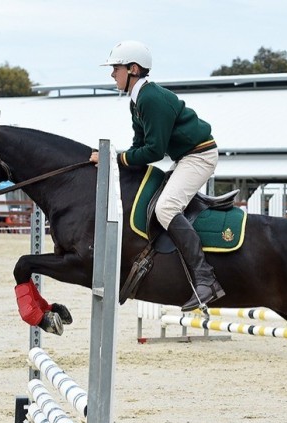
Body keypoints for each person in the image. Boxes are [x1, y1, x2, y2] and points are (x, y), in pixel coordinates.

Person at [90, 40, 224, 311]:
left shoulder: (151, 98)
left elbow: (153, 151)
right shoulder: (137, 100)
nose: (112, 74)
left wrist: (114, 157)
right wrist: (118, 161)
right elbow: (139, 144)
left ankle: (205, 278)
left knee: (165, 208)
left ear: (133, 69)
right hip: (186, 157)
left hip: (199, 156)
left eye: (116, 68)